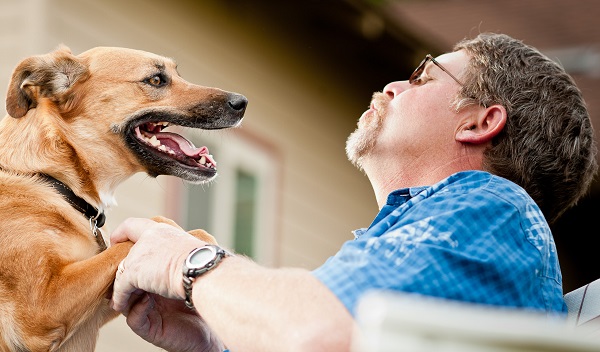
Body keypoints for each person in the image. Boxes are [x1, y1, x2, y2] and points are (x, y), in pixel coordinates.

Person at [109, 32, 598, 352]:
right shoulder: (428, 237)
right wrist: (214, 338)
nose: (389, 86)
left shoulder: (493, 208)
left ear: (479, 121)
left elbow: (323, 336)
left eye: (421, 77)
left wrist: (188, 264)